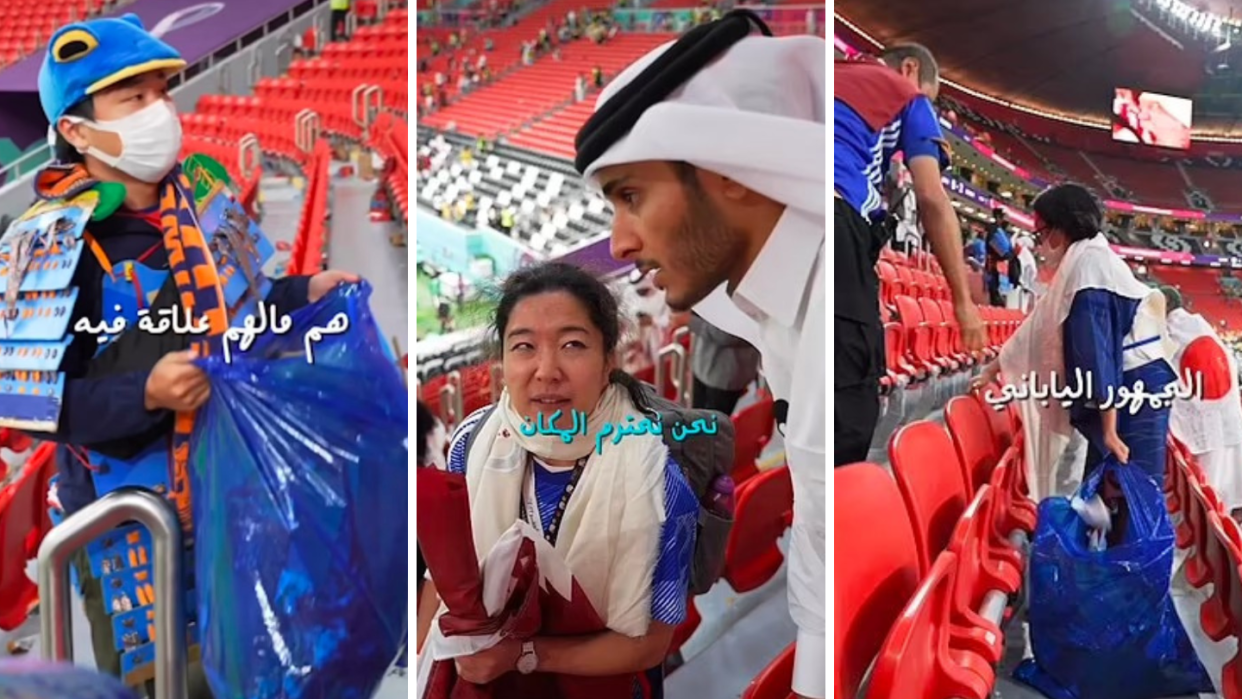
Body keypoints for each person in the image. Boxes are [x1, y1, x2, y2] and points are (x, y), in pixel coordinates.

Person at [23, 15, 357, 697]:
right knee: (171, 682)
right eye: (133, 99)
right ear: (78, 131)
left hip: (234, 493)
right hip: (129, 523)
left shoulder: (203, 197)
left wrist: (303, 291)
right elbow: (34, 404)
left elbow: (250, 301)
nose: (158, 112)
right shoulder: (49, 241)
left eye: (159, 93)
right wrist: (146, 390)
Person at [572, 12, 826, 697]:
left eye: (630, 196)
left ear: (730, 171)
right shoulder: (782, 311)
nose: (619, 244)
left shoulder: (829, 322)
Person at [415, 262, 698, 695]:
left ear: (608, 362)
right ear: (503, 362)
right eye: (524, 346)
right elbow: (442, 578)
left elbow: (649, 644)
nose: (547, 370)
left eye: (572, 345)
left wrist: (524, 655)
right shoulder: (471, 444)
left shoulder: (655, 476)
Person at [970, 183, 1175, 502]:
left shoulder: (1090, 268)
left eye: (1040, 235)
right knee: (1107, 478)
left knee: (1134, 487)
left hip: (1138, 383)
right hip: (1127, 382)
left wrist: (1108, 429)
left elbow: (1099, 354)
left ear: (1062, 229)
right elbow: (1035, 329)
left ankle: (1127, 550)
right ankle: (1102, 544)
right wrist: (991, 370)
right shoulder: (1082, 262)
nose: (1039, 245)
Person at [835, 42, 986, 468]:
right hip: (834, 216)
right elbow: (931, 198)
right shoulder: (907, 94)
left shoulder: (833, 72)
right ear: (910, 67)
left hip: (782, 211)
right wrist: (962, 302)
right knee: (850, 399)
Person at [1161, 286, 1242, 520]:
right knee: (1218, 485)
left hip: (1206, 412)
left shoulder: (1171, 330)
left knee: (1204, 487)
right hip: (1224, 411)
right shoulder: (1200, 326)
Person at [689, 313, 760, 417]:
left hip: (723, 375)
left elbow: (727, 335)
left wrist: (690, 321)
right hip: (706, 366)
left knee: (710, 427)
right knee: (696, 421)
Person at [985, 208, 1015, 307]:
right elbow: (1000, 251)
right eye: (1005, 218)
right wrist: (1007, 255)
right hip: (994, 270)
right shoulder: (993, 231)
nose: (1008, 221)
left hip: (1003, 272)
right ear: (998, 217)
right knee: (996, 299)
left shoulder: (1003, 233)